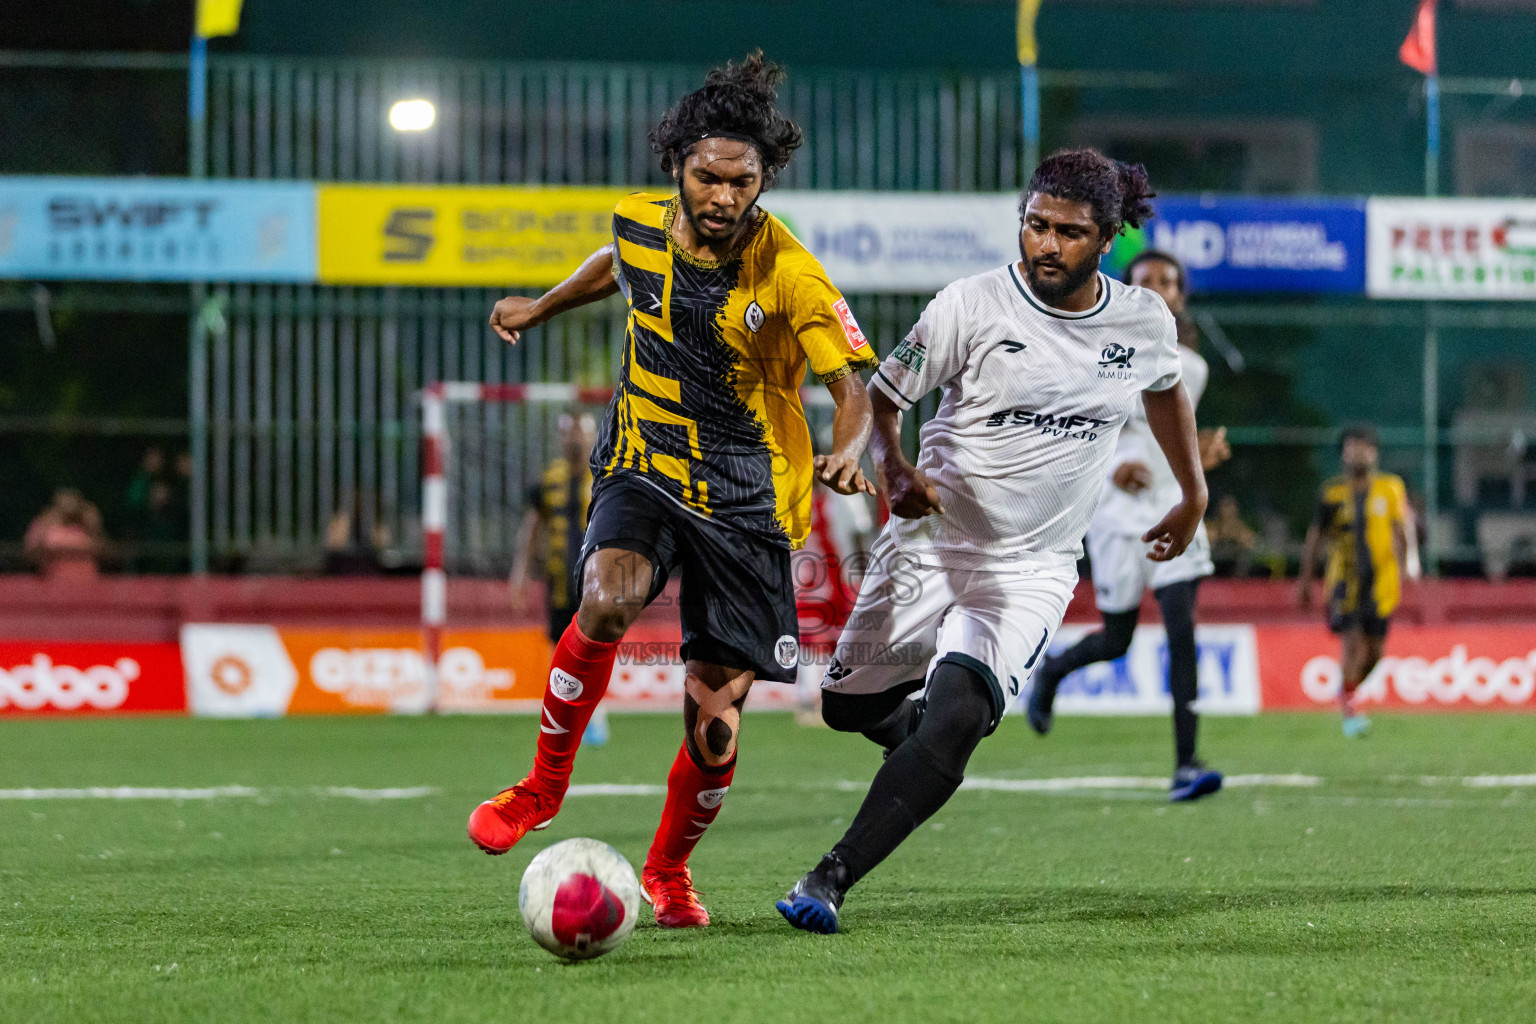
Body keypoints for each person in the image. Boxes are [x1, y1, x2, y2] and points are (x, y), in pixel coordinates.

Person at [468, 52, 879, 929]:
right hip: (644, 463)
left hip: (749, 499)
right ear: (676, 167)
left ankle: (667, 872)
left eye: (744, 181)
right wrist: (539, 308)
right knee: (606, 598)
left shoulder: (791, 273)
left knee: (715, 727)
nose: (724, 197)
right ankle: (539, 791)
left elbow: (852, 385)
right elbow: (613, 263)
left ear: (764, 181)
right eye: (708, 176)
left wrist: (850, 451)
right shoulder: (638, 222)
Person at [776, 149, 1208, 934]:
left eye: (1068, 233)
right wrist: (896, 468)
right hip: (933, 543)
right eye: (1034, 226)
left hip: (1035, 567)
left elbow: (1167, 391)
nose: (1045, 244)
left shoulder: (1143, 320)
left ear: (1106, 238)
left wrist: (1194, 492)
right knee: (846, 706)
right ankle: (915, 741)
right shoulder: (969, 305)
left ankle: (830, 876)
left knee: (960, 712)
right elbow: (883, 399)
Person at [1023, 249, 1230, 802]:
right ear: (1128, 288)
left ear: (1181, 295)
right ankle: (1053, 672)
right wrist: (1117, 468)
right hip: (1115, 517)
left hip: (1174, 509)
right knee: (1117, 639)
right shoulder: (1098, 355)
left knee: (1182, 631)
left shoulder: (1196, 367)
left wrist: (1196, 460)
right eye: (1145, 280)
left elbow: (1168, 434)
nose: (1158, 287)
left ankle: (1187, 764)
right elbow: (1084, 426)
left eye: (1168, 280)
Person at [1297, 425, 1411, 737]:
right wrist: (1305, 581)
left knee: (1375, 654)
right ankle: (1349, 713)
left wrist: (1408, 565)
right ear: (1343, 453)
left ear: (1374, 452)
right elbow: (1315, 536)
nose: (1359, 452)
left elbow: (1402, 529)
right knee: (1352, 642)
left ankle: (1345, 693)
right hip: (1344, 582)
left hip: (1381, 582)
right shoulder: (1331, 493)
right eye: (1352, 446)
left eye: (1365, 446)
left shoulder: (1390, 488)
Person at [509, 411, 608, 744]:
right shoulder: (549, 480)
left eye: (580, 434)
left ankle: (595, 715)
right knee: (560, 647)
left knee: (594, 644)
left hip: (598, 582)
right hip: (560, 581)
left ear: (594, 437)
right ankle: (563, 715)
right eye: (568, 434)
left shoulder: (605, 476)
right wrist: (520, 574)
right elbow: (532, 528)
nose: (574, 441)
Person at [25, 488, 106, 583]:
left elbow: (102, 549)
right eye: (64, 502)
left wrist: (92, 523)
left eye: (72, 502)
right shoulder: (45, 523)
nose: (68, 505)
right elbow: (31, 553)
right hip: (52, 579)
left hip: (86, 580)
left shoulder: (86, 523)